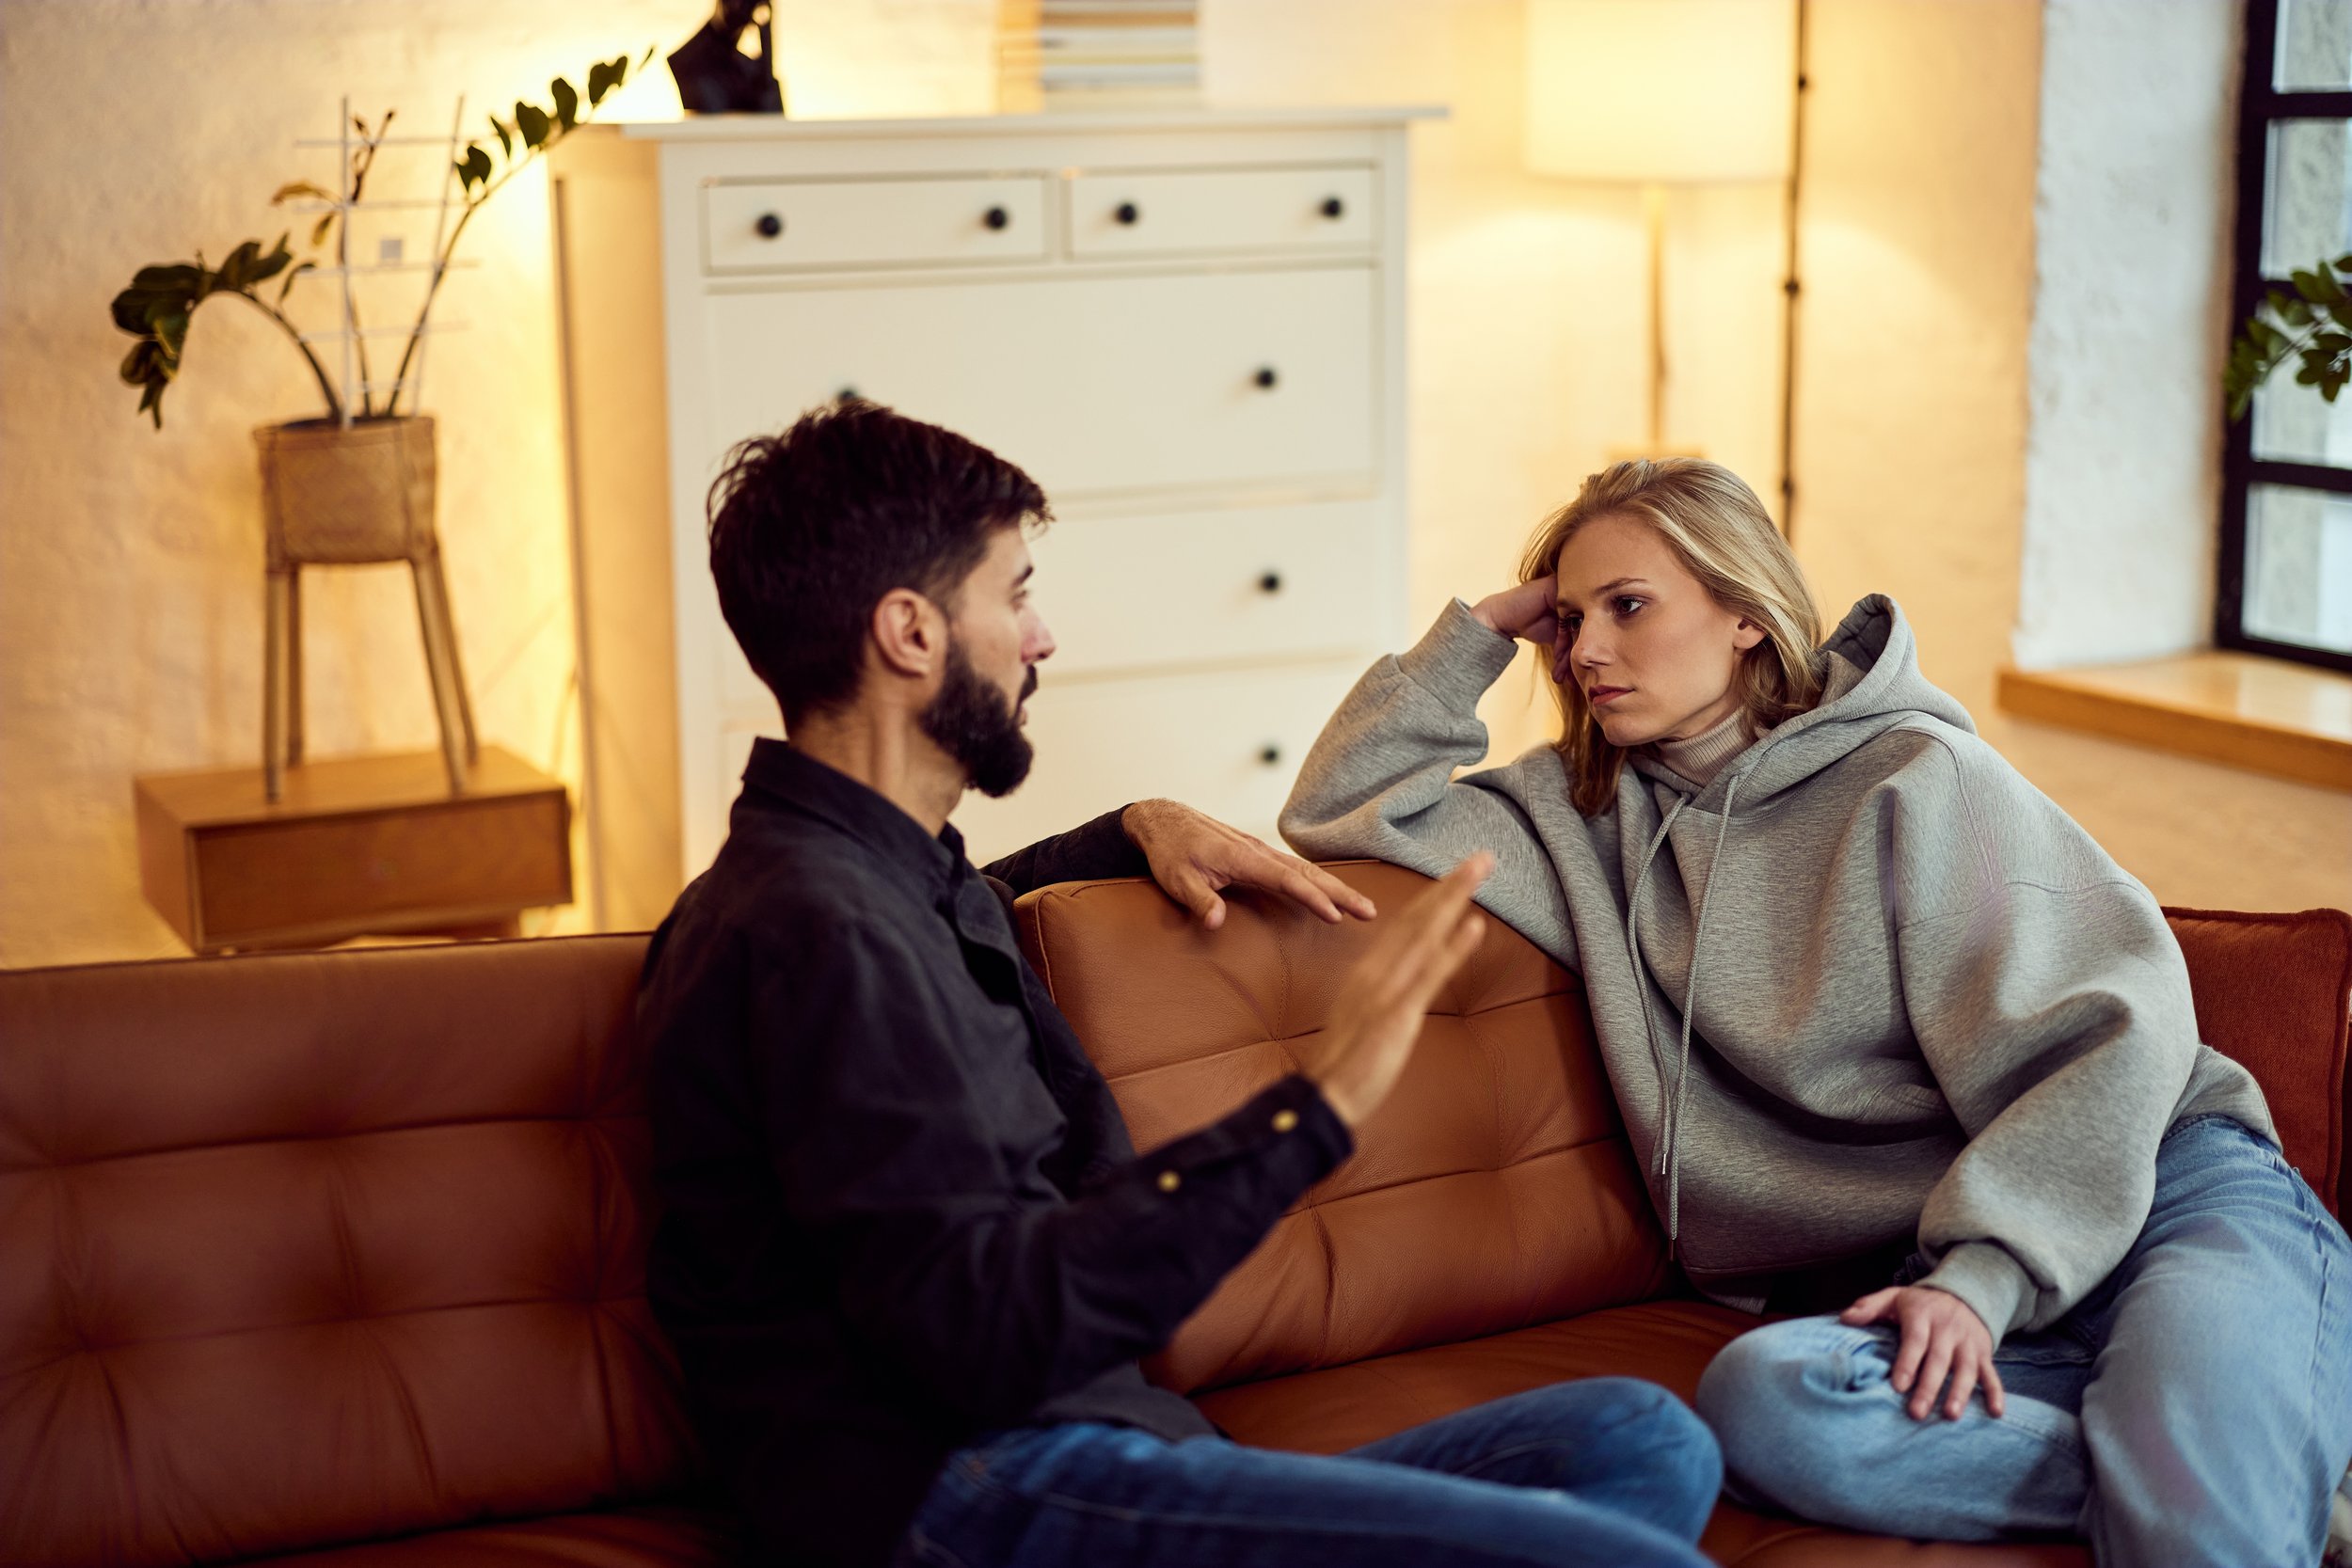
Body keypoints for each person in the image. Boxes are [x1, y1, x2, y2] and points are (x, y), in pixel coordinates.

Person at [637, 398, 1724, 1568]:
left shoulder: (867, 875)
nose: (1041, 636)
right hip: (963, 1488)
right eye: (1012, 595)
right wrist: (1320, 1101)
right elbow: (985, 1334)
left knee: (1638, 1436)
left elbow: (961, 920)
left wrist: (1131, 826)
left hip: (1099, 1446)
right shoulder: (815, 936)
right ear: (910, 632)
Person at [1279, 455, 2352, 1566]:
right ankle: (2245, 1448)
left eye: (1628, 605)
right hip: (1912, 1278)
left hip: (2156, 1194)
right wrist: (1484, 629)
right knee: (1770, 1403)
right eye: (1568, 617)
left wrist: (1984, 1279)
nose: (1586, 648)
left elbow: (2102, 1039)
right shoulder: (1577, 817)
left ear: (1743, 611)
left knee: (2190, 1523)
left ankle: (2213, 1445)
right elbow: (1340, 806)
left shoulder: (1917, 775)